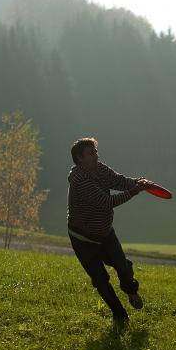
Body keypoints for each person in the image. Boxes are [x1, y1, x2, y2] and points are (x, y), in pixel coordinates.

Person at [67, 137, 150, 327]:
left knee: (123, 266)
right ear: (80, 158)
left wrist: (137, 182)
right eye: (91, 153)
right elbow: (107, 203)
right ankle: (120, 315)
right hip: (83, 239)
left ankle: (131, 290)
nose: (96, 155)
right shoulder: (79, 180)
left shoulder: (99, 168)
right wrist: (134, 191)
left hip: (105, 233)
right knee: (101, 280)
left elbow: (118, 181)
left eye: (96, 151)